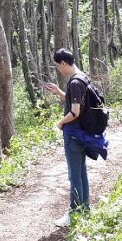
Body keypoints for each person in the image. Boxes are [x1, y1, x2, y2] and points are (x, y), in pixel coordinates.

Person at [42, 48, 97, 228]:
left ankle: (74, 213)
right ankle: (85, 209)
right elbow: (77, 104)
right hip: (84, 133)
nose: (59, 69)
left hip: (73, 133)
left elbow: (74, 112)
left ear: (64, 63)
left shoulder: (74, 82)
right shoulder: (83, 77)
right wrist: (59, 92)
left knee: (74, 175)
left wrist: (60, 122)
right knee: (81, 173)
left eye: (58, 66)